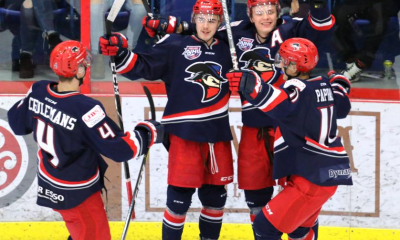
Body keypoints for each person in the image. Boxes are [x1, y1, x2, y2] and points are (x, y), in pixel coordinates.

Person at [142, 0, 336, 234]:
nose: (266, 17)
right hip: (255, 130)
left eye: (270, 11)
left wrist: (317, 4)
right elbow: (205, 27)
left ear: (278, 12)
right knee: (257, 201)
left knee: (298, 199)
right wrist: (172, 26)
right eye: (259, 12)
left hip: (291, 131)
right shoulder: (234, 33)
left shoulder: (291, 28)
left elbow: (321, 25)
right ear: (250, 15)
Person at [99, 1, 234, 239]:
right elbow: (142, 65)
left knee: (215, 199)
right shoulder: (175, 44)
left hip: (217, 135)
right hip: (184, 135)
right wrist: (118, 52)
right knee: (179, 199)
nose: (206, 25)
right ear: (194, 18)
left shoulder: (228, 49)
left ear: (220, 22)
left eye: (212, 20)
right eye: (201, 19)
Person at [7, 40, 163, 240]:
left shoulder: (38, 90)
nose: (87, 67)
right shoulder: (86, 108)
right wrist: (147, 131)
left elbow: (18, 124)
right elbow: (121, 149)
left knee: (81, 231)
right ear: (78, 70)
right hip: (78, 193)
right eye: (84, 64)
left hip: (50, 184)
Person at [227, 37, 353, 240]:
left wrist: (251, 83)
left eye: (284, 61)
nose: (279, 65)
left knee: (264, 227)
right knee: (299, 230)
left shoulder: (297, 88)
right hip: (325, 175)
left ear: (294, 66)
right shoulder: (324, 85)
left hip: (309, 178)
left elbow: (280, 104)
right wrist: (340, 82)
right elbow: (342, 105)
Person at [333, 0, 399, 82]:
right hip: (357, 3)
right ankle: (350, 60)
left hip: (380, 3)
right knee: (336, 17)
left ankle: (360, 64)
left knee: (379, 26)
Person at [18, 0, 63, 78]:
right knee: (28, 6)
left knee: (28, 8)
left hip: (50, 4)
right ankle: (51, 35)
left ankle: (26, 56)